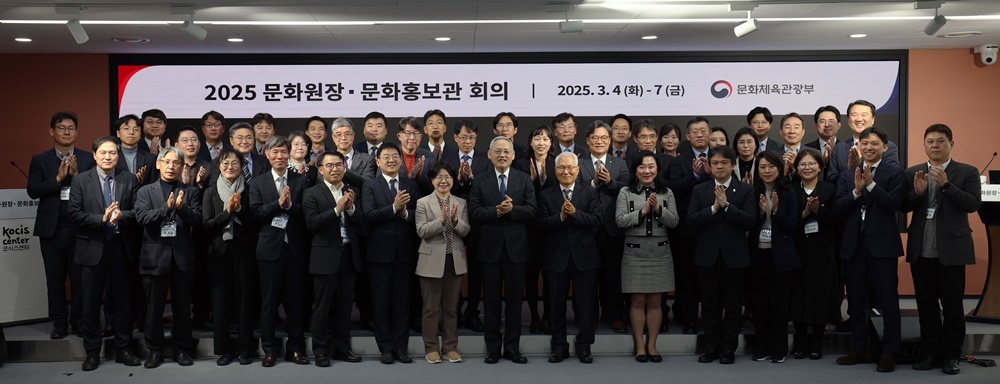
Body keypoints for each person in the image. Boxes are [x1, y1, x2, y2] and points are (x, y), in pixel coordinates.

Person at [902, 124, 981, 375]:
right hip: (921, 251)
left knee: (953, 308)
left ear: (951, 145)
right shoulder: (913, 172)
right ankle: (932, 353)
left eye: (940, 141)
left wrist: (947, 185)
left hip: (952, 252)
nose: (935, 145)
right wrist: (916, 195)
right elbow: (903, 206)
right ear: (924, 145)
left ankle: (951, 356)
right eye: (930, 141)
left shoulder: (967, 171)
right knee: (926, 307)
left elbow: (973, 204)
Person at [833, 127, 904, 373]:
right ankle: (859, 348)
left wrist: (872, 186)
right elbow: (838, 208)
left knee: (888, 299)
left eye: (875, 144)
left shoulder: (894, 172)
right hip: (854, 244)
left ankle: (890, 350)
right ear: (859, 147)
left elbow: (895, 204)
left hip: (883, 244)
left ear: (885, 147)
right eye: (865, 144)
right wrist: (856, 191)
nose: (869, 148)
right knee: (856, 299)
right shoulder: (847, 175)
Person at [68, 136, 141, 371]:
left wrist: (123, 216)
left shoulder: (128, 179)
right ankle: (92, 352)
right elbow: (74, 214)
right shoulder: (81, 180)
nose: (108, 157)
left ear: (118, 156)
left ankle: (123, 348)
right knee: (90, 304)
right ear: (94, 155)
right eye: (104, 153)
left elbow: (138, 212)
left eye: (113, 153)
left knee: (123, 302)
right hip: (92, 247)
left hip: (121, 247)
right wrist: (100, 218)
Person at [27, 111, 95, 340]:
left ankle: (78, 321)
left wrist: (77, 177)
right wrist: (57, 179)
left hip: (79, 228)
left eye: (70, 128)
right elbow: (33, 191)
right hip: (51, 229)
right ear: (52, 131)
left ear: (77, 132)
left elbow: (94, 193)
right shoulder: (40, 159)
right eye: (61, 127)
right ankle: (59, 323)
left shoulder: (87, 158)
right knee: (54, 279)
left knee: (79, 279)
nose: (66, 132)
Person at [470, 136, 536, 364]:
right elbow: (474, 212)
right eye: (497, 151)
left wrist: (513, 210)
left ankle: (512, 348)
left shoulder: (524, 179)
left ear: (513, 154)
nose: (502, 155)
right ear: (489, 154)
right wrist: (497, 212)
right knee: (491, 302)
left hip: (517, 250)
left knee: (515, 302)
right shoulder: (479, 180)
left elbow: (532, 211)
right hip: (489, 250)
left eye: (506, 151)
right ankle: (493, 348)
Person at [134, 146, 201, 368]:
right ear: (158, 163)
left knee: (182, 308)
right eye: (167, 162)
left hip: (182, 258)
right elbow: (142, 218)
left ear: (182, 167)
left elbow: (197, 220)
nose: (171, 167)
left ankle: (183, 349)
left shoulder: (189, 191)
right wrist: (166, 209)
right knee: (154, 308)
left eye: (176, 163)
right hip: (154, 258)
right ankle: (155, 350)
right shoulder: (145, 191)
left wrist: (181, 209)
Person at [688, 145, 756, 365]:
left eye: (724, 163)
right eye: (715, 163)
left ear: (733, 165)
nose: (719, 166)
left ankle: (728, 349)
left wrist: (726, 207)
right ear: (709, 165)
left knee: (733, 306)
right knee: (709, 305)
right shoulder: (700, 190)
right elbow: (692, 220)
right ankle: (711, 348)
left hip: (734, 257)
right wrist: (714, 208)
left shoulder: (745, 190)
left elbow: (750, 220)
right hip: (707, 257)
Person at [249, 135, 310, 367]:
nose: (280, 156)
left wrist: (290, 206)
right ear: (267, 154)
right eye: (275, 152)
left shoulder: (300, 180)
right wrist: (278, 205)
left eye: (284, 151)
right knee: (269, 303)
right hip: (268, 252)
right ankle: (269, 350)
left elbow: (306, 212)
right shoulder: (258, 182)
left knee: (296, 303)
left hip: (294, 250)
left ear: (289, 153)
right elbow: (254, 213)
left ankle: (295, 349)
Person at [536, 152, 602, 364]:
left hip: (585, 256)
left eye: (570, 168)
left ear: (578, 170)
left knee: (585, 304)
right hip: (556, 256)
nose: (566, 172)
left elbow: (596, 221)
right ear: (555, 171)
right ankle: (559, 347)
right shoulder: (546, 194)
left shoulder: (589, 193)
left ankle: (584, 346)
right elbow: (541, 224)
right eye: (561, 168)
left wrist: (575, 214)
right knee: (556, 304)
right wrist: (561, 217)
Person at [615, 150, 679, 363]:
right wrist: (642, 213)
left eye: (651, 166)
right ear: (635, 170)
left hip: (660, 253)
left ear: (657, 169)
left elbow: (674, 222)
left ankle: (652, 345)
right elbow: (620, 221)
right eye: (642, 167)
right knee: (637, 300)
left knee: (655, 301)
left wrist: (658, 209)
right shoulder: (625, 191)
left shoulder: (666, 192)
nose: (647, 171)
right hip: (634, 253)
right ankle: (640, 346)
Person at [303, 150, 365, 367]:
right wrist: (337, 209)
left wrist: (351, 209)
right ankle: (320, 351)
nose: (335, 169)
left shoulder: (352, 190)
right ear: (320, 170)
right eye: (330, 165)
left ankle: (342, 348)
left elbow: (362, 224)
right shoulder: (311, 193)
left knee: (344, 306)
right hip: (324, 257)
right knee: (322, 307)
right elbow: (311, 223)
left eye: (339, 165)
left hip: (349, 256)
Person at [362, 142, 419, 364]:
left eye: (395, 156)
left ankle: (401, 348)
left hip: (405, 253)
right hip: (378, 255)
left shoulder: (410, 185)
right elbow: (369, 215)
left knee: (402, 303)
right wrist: (394, 208)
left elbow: (418, 215)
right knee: (381, 302)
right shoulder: (370, 186)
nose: (391, 160)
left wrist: (405, 213)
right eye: (386, 157)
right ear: (378, 161)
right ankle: (385, 348)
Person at [414, 161, 471, 364]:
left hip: (454, 260)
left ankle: (450, 347)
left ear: (453, 180)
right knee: (430, 308)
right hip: (430, 261)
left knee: (451, 308)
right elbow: (421, 231)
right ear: (432, 180)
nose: (443, 181)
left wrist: (455, 221)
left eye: (447, 177)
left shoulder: (461, 203)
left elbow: (465, 231)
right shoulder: (422, 203)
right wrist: (441, 221)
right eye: (439, 177)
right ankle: (431, 348)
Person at [577, 120, 630, 333]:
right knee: (588, 276)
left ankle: (615, 315)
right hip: (587, 228)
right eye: (595, 138)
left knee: (613, 275)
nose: (600, 142)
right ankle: (588, 316)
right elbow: (575, 190)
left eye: (604, 138)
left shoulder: (619, 164)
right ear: (588, 140)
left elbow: (627, 189)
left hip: (612, 228)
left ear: (610, 141)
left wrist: (610, 183)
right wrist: (593, 184)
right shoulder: (579, 164)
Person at [201, 148, 252, 366]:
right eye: (225, 163)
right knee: (220, 303)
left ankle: (245, 350)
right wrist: (228, 212)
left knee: (245, 302)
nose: (229, 167)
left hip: (244, 252)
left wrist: (239, 210)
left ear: (242, 167)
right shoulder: (210, 192)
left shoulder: (249, 190)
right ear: (219, 166)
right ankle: (224, 351)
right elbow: (206, 225)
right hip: (218, 252)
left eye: (234, 163)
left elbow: (255, 223)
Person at [748, 151, 800, 364]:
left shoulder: (789, 192)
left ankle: (779, 349)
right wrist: (760, 214)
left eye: (771, 167)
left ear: (779, 169)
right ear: (757, 171)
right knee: (759, 305)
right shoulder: (750, 192)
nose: (767, 171)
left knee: (779, 305)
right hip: (757, 255)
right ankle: (761, 347)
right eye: (762, 167)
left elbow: (792, 226)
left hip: (780, 256)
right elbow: (747, 225)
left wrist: (776, 211)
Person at [789, 148, 838, 360]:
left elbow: (837, 220)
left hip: (822, 251)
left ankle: (817, 343)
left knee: (819, 296)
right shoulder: (790, 190)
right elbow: (787, 222)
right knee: (798, 296)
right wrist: (805, 213)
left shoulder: (830, 189)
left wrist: (819, 212)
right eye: (802, 164)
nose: (807, 167)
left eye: (812, 164)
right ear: (796, 168)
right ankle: (800, 343)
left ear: (820, 166)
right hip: (798, 250)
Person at [668, 117, 715, 335]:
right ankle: (688, 318)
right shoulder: (679, 160)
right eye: (694, 132)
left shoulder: (719, 156)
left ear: (709, 133)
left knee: (709, 274)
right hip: (686, 227)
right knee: (686, 273)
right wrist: (695, 175)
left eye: (703, 131)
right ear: (688, 136)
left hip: (713, 224)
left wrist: (709, 174)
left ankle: (710, 318)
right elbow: (674, 189)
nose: (699, 135)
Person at [445, 119, 490, 332]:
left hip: (477, 223)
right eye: (463, 137)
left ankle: (472, 312)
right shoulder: (447, 159)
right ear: (455, 138)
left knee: (475, 270)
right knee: (451, 269)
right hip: (451, 220)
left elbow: (487, 189)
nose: (468, 141)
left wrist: (472, 181)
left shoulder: (485, 159)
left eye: (472, 137)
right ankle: (454, 310)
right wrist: (459, 181)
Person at [512, 125, 557, 335]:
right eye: (536, 138)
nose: (541, 142)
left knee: (550, 275)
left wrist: (543, 182)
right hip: (527, 229)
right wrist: (531, 183)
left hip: (550, 228)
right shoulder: (520, 164)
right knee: (530, 276)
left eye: (545, 139)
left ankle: (548, 317)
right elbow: (519, 196)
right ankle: (534, 318)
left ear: (551, 143)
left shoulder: (556, 164)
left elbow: (557, 195)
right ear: (530, 142)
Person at [827, 100, 900, 184]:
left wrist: (859, 168)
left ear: (873, 119)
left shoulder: (888, 147)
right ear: (848, 119)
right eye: (854, 115)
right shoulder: (839, 148)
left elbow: (892, 176)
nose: (859, 119)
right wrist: (851, 171)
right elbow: (831, 180)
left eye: (864, 115)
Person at [332, 117, 376, 189]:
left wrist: (344, 170)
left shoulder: (367, 160)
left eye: (347, 134)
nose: (343, 138)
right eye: (339, 134)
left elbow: (368, 183)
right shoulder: (326, 159)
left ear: (353, 136)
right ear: (333, 138)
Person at [397, 117, 438, 195]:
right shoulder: (391, 156)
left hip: (422, 204)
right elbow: (383, 185)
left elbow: (433, 188)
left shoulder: (429, 157)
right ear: (399, 136)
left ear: (421, 137)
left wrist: (420, 176)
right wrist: (409, 177)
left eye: (416, 133)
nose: (412, 138)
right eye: (408, 133)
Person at [115, 114, 157, 186]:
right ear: (118, 133)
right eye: (126, 128)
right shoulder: (112, 156)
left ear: (140, 134)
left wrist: (141, 182)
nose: (131, 132)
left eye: (136, 129)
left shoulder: (150, 158)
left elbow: (154, 185)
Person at [804, 105, 842, 170]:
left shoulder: (847, 148)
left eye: (831, 121)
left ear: (839, 125)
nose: (827, 125)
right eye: (822, 121)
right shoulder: (806, 149)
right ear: (816, 126)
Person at [174, 125, 209, 190]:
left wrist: (200, 183)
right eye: (185, 140)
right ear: (176, 145)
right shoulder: (172, 167)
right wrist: (184, 184)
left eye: (194, 140)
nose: (190, 144)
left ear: (199, 144)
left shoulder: (208, 167)